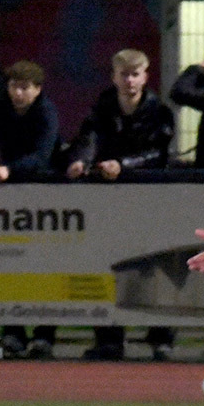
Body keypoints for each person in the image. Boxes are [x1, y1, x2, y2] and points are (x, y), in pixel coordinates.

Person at [67, 48, 175, 360]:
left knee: (156, 268)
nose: (129, 80)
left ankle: (161, 338)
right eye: (124, 74)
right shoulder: (101, 107)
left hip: (149, 200)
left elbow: (159, 154)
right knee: (109, 267)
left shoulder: (159, 111)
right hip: (110, 203)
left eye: (135, 74)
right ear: (114, 76)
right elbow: (88, 139)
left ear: (145, 76)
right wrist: (81, 161)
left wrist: (123, 165)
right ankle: (110, 339)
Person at [0, 60, 59, 358]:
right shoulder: (0, 110)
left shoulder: (46, 113)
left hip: (41, 196)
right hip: (7, 198)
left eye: (24, 87)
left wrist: (9, 170)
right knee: (9, 263)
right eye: (13, 86)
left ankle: (44, 335)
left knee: (45, 267)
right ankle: (13, 333)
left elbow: (42, 155)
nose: (17, 92)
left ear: (37, 90)